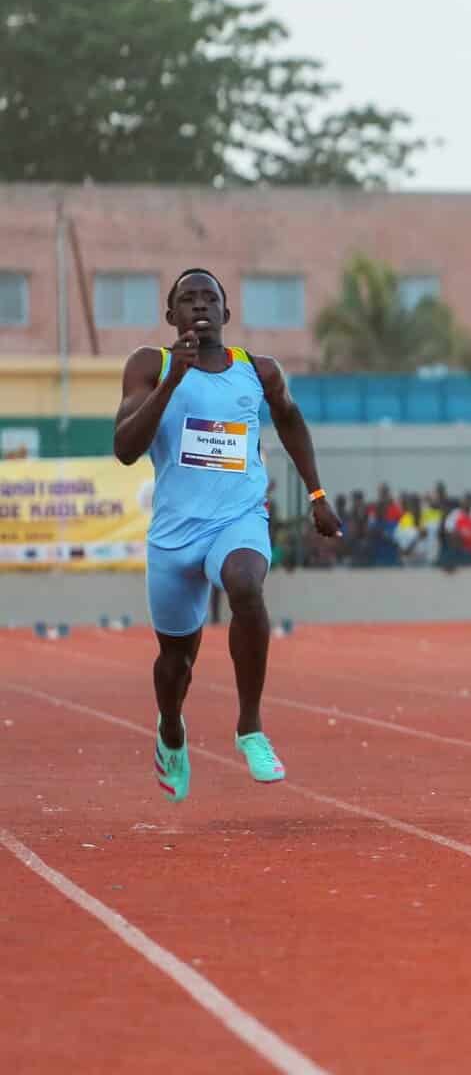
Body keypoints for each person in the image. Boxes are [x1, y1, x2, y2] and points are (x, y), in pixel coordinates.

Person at [112, 268, 342, 803]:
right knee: (176, 663)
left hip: (237, 519)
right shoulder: (152, 365)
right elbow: (125, 448)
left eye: (208, 298)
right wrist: (173, 380)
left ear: (225, 313)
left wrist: (316, 494)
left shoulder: (257, 371)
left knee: (246, 585)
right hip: (174, 536)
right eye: (186, 299)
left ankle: (251, 727)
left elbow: (289, 419)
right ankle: (171, 729)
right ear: (171, 316)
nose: (199, 305)